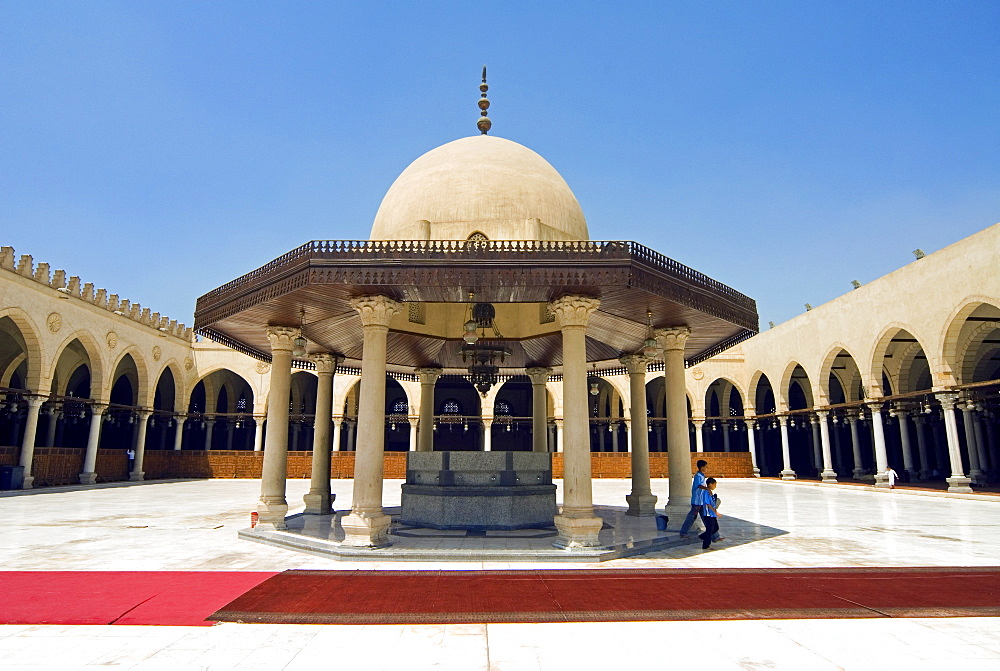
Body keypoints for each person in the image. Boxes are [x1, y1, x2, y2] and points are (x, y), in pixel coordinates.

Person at [679, 459, 709, 538]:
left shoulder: (702, 476)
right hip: (697, 502)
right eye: (706, 467)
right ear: (702, 467)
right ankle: (683, 532)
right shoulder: (698, 476)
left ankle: (713, 534)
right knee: (692, 517)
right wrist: (707, 488)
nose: (706, 469)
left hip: (701, 501)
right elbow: (699, 485)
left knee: (705, 517)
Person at [698, 478, 720, 550]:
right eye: (714, 485)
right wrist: (715, 511)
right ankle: (706, 545)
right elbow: (708, 504)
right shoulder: (706, 493)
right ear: (710, 484)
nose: (715, 486)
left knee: (715, 527)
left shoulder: (710, 492)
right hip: (708, 514)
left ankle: (702, 536)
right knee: (709, 529)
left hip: (712, 514)